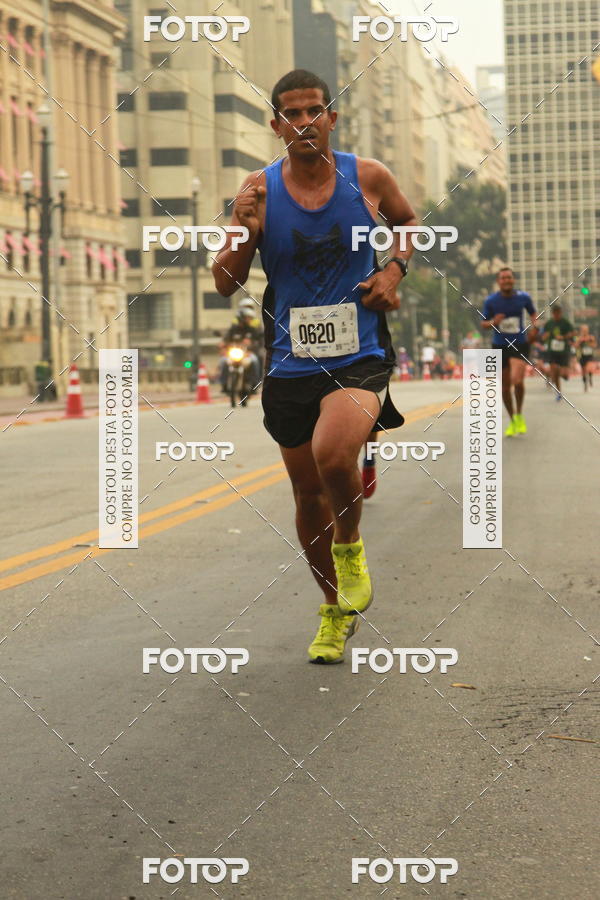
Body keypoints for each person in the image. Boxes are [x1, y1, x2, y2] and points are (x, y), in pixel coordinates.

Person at [212, 69, 415, 663]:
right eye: (291, 114)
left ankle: (350, 546)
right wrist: (245, 232)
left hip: (360, 352)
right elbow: (225, 284)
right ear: (276, 126)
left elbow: (406, 225)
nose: (304, 122)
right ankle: (333, 609)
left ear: (331, 117)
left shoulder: (368, 176)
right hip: (290, 361)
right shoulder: (259, 190)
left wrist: (394, 269)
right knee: (306, 496)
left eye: (314, 111)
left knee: (333, 456)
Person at [481, 267, 538, 436]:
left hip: (519, 344)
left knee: (517, 381)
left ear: (513, 280)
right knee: (505, 388)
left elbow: (534, 314)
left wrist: (535, 327)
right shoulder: (491, 301)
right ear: (498, 282)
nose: (506, 280)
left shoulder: (523, 298)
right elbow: (483, 324)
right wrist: (493, 321)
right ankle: (513, 420)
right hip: (499, 346)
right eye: (503, 278)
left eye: (509, 277)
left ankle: (519, 413)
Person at [219, 299, 264, 395]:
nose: (248, 319)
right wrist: (223, 345)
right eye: (246, 317)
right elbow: (227, 339)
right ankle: (223, 384)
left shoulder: (253, 328)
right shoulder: (233, 328)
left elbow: (259, 339)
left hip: (248, 353)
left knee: (256, 361)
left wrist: (252, 346)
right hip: (234, 353)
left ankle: (255, 384)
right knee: (223, 361)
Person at [544, 304, 575, 402]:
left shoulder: (565, 322)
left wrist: (564, 337)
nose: (557, 315)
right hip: (552, 350)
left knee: (564, 375)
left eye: (559, 313)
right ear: (553, 313)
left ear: (561, 313)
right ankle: (558, 392)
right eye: (555, 313)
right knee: (555, 370)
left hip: (564, 350)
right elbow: (543, 336)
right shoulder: (549, 323)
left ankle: (557, 374)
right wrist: (546, 336)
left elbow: (573, 333)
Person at [576, 324, 596, 391]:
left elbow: (594, 345)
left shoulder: (591, 337)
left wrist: (588, 342)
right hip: (582, 356)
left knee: (589, 368)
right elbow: (576, 346)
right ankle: (585, 384)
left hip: (589, 356)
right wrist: (580, 341)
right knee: (584, 371)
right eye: (583, 330)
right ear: (581, 331)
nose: (584, 331)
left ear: (588, 330)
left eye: (585, 330)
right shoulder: (579, 338)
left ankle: (590, 377)